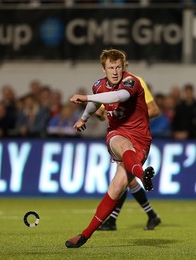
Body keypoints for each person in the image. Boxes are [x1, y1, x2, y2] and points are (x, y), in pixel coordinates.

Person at [65, 48, 155, 248]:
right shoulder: (99, 86)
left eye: (118, 67)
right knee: (122, 144)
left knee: (116, 188)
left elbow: (118, 97)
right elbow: (96, 103)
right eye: (111, 68)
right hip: (118, 134)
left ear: (123, 68)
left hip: (141, 140)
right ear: (103, 69)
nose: (115, 72)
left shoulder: (131, 82)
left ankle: (86, 234)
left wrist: (86, 97)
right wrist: (83, 118)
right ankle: (143, 175)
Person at [95, 75, 161, 231]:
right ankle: (148, 216)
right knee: (125, 180)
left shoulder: (136, 81)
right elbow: (101, 111)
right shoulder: (111, 85)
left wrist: (131, 119)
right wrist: (100, 112)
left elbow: (154, 110)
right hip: (120, 135)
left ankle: (147, 216)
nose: (116, 71)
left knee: (126, 178)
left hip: (135, 137)